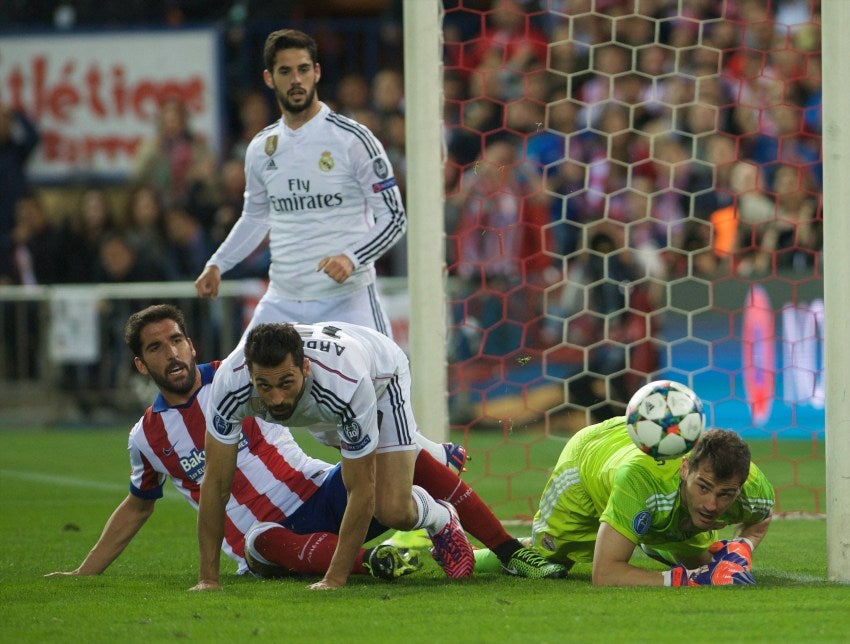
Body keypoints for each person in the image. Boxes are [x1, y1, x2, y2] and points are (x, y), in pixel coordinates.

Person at [44, 304, 417, 582]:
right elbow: (137, 507)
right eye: (156, 348)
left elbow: (351, 422)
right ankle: (376, 559)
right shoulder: (147, 437)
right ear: (141, 365)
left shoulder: (242, 377)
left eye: (176, 341)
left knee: (395, 477)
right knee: (264, 539)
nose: (171, 353)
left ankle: (446, 517)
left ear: (190, 345)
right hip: (265, 547)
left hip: (321, 493)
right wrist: (84, 572)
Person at [195, 320, 567, 590]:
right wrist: (208, 579)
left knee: (392, 508)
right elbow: (215, 483)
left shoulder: (343, 385)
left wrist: (335, 579)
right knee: (378, 463)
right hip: (322, 407)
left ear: (304, 368)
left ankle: (447, 517)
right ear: (250, 375)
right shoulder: (230, 385)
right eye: (264, 386)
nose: (275, 398)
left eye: (285, 383)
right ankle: (428, 452)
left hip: (380, 375)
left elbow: (360, 489)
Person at [194, 29, 405, 338]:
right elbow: (255, 218)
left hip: (347, 299)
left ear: (316, 72)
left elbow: (394, 217)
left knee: (384, 382)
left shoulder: (353, 139)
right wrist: (218, 264)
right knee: (235, 382)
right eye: (285, 71)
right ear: (269, 78)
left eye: (303, 69)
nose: (296, 79)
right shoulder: (260, 147)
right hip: (282, 302)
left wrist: (353, 257)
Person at [474, 416, 774, 587]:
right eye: (704, 488)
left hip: (654, 495)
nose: (711, 504)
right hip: (589, 462)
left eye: (725, 495)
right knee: (550, 561)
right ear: (686, 469)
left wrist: (742, 547)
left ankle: (652, 535)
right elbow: (605, 575)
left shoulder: (752, 488)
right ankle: (474, 555)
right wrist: (691, 579)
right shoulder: (642, 479)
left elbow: (760, 520)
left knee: (710, 566)